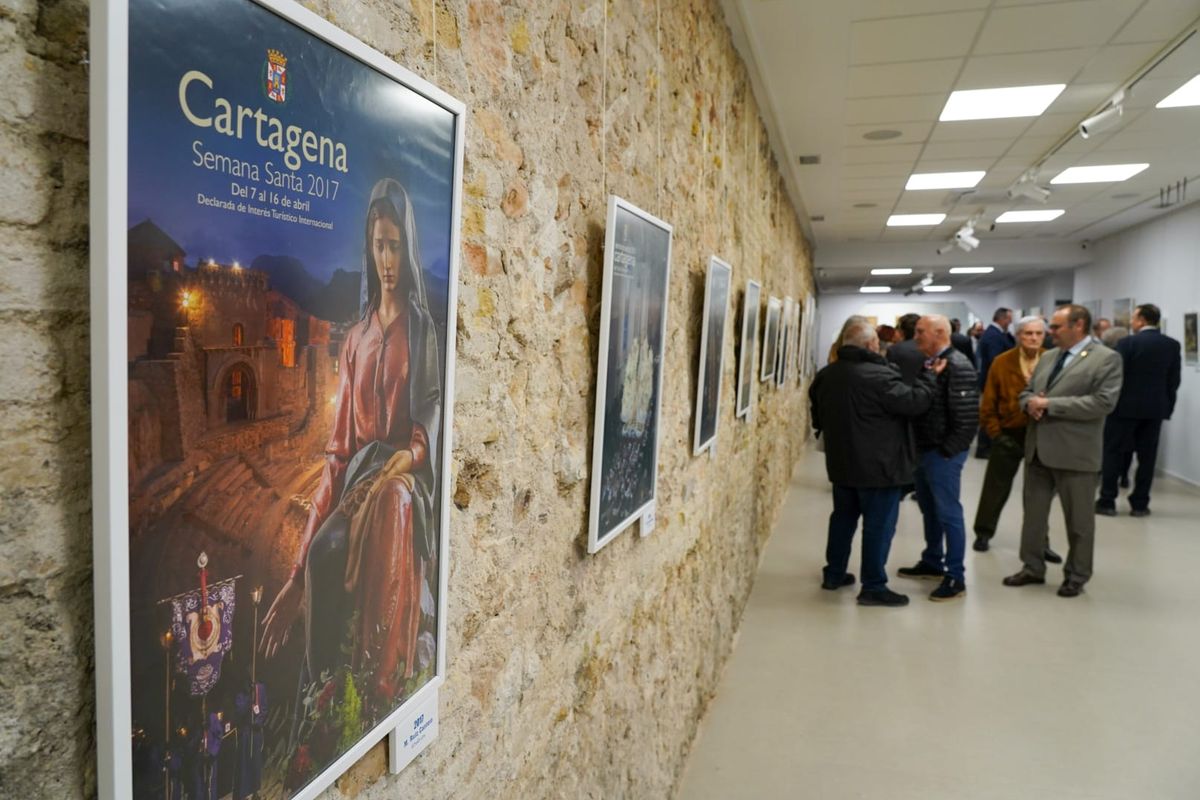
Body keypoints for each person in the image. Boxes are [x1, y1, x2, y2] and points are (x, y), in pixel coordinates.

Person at [261, 178, 442, 704]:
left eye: (396, 245)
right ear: (370, 247)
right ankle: (323, 695)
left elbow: (429, 413)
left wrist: (409, 455)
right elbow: (338, 454)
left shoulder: (422, 332)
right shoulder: (356, 340)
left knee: (392, 504)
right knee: (323, 554)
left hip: (408, 476)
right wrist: (295, 573)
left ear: (408, 247)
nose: (388, 259)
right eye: (379, 245)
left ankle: (379, 678)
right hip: (360, 479)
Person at [810, 319, 940, 607]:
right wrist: (930, 378)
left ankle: (834, 574)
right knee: (878, 527)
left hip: (842, 464)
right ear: (872, 345)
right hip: (880, 468)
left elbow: (817, 416)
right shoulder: (881, 377)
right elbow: (915, 403)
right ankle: (873, 586)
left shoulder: (827, 375)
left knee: (842, 520)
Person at [1003, 304, 1122, 597]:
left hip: (1076, 453)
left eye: (1055, 327)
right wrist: (1029, 403)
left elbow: (1103, 403)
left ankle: (1077, 575)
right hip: (1038, 451)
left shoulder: (1106, 359)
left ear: (1078, 325)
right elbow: (1027, 392)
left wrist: (1050, 405)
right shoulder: (1049, 357)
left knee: (1079, 522)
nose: (1049, 332)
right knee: (1033, 518)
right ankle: (1032, 567)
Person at [896, 315, 979, 602]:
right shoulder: (931, 363)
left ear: (940, 333)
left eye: (921, 332)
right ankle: (933, 560)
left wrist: (947, 451)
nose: (915, 337)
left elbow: (967, 419)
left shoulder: (958, 366)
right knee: (930, 510)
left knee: (948, 513)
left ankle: (955, 575)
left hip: (943, 453)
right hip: (926, 450)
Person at [972, 316, 1061, 562]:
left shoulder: (1054, 361)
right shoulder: (1002, 362)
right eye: (1027, 333)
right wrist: (995, 433)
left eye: (1038, 334)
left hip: (1042, 433)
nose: (1033, 338)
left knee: (1038, 493)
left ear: (1044, 336)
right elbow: (988, 401)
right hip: (1008, 433)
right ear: (1018, 335)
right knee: (995, 487)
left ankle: (1040, 542)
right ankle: (983, 533)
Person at [1097, 303, 1181, 517]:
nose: (1131, 323)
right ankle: (1140, 503)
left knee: (1113, 452)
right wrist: (1166, 407)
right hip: (1154, 410)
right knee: (1147, 457)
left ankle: (1108, 500)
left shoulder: (1127, 343)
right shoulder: (1171, 345)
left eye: (1134, 318)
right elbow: (1173, 381)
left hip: (1124, 408)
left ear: (1142, 320)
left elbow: (1116, 376)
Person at [974, 308, 1015, 458]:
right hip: (994, 382)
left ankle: (989, 446)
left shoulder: (999, 334)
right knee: (989, 414)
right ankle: (984, 448)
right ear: (1002, 319)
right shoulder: (993, 335)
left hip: (995, 381)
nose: (1010, 322)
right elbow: (995, 361)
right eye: (1009, 319)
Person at [887, 313, 924, 384]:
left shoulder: (894, 349)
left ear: (902, 331)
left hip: (903, 390)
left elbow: (889, 375)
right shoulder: (930, 347)